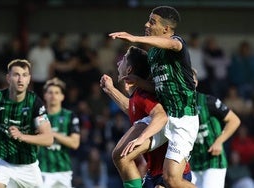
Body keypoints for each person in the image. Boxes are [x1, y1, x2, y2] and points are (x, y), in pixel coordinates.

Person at [109, 6, 199, 188]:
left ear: (166, 29)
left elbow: (173, 44)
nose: (146, 24)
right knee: (122, 155)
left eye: (152, 21)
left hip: (183, 119)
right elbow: (158, 87)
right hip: (166, 118)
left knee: (171, 180)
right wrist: (138, 82)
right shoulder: (152, 54)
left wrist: (134, 38)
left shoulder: (176, 44)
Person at [100, 46, 193, 188]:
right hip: (153, 173)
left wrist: (142, 137)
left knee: (121, 156)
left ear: (129, 70)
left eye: (123, 60)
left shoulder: (144, 95)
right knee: (121, 156)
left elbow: (161, 116)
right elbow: (131, 109)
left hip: (171, 173)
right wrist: (111, 90)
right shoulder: (137, 97)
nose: (118, 63)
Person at [0, 59, 53, 188]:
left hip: (28, 165)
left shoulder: (34, 102)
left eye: (24, 75)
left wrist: (22, 136)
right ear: (8, 78)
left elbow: (48, 139)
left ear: (29, 79)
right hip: (1, 160)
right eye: (16, 75)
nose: (20, 79)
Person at [190, 68, 241, 188]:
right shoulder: (177, 106)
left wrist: (219, 142)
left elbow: (234, 120)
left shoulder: (208, 101)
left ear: (196, 82)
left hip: (213, 161)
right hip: (192, 163)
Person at [38, 77, 81, 188]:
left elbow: (75, 143)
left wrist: (52, 134)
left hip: (63, 171)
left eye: (57, 93)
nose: (53, 95)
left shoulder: (70, 116)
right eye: (50, 92)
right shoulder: (37, 117)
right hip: (41, 170)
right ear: (45, 95)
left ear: (62, 96)